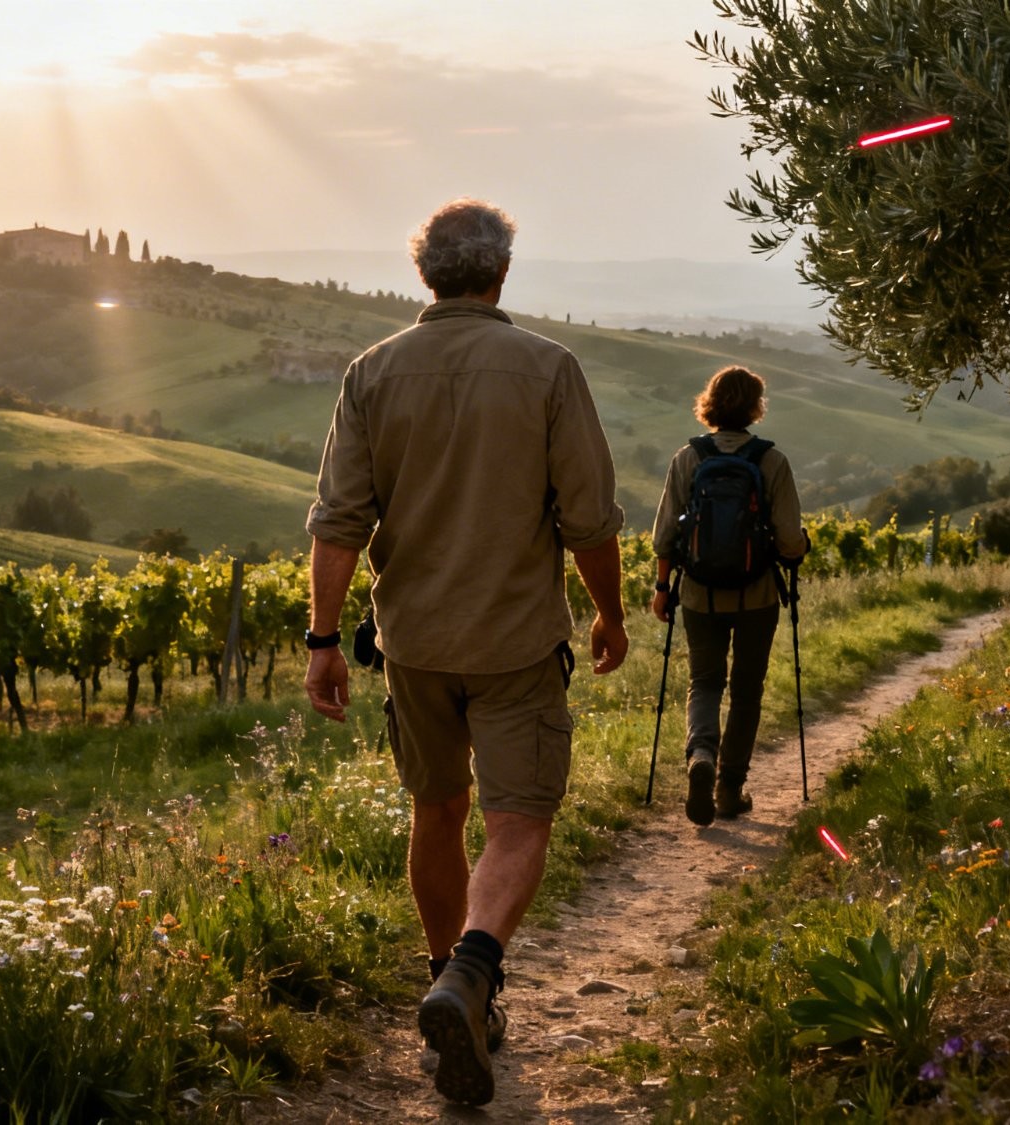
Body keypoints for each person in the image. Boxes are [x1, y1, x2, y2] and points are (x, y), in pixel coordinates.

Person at [304, 198, 628, 1107]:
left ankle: (451, 976)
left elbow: (337, 525)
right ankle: (474, 974)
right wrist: (608, 614)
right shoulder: (548, 369)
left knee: (435, 811)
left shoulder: (372, 372)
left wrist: (323, 641)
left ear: (426, 276)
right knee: (519, 816)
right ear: (502, 273)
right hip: (516, 640)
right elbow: (590, 519)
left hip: (411, 642)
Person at [649, 366, 809, 826]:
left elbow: (664, 537)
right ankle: (728, 788)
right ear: (756, 407)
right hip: (757, 595)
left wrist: (663, 589)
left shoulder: (689, 457)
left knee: (704, 682)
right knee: (746, 691)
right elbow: (789, 540)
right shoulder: (771, 461)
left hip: (699, 596)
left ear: (711, 402)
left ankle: (701, 752)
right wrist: (800, 548)